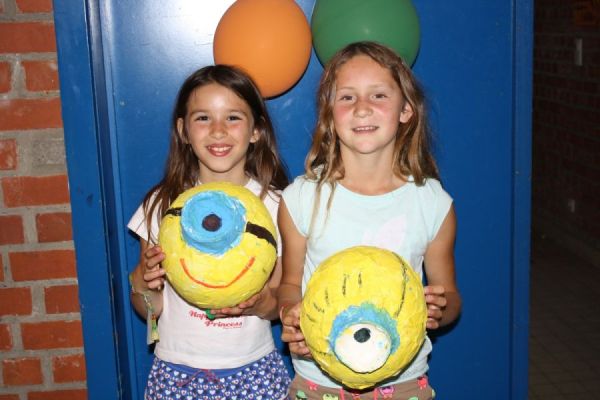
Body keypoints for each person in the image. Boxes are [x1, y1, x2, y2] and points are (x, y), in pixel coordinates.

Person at [277, 41, 462, 399]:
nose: (362, 108)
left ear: (406, 110)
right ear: (329, 114)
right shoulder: (301, 198)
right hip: (318, 383)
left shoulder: (432, 204)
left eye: (378, 95)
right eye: (347, 97)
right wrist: (290, 314)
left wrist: (441, 309)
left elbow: (451, 295)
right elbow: (289, 284)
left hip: (403, 383)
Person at [127, 65, 291, 400]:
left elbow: (278, 301)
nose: (218, 131)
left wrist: (261, 304)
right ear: (183, 131)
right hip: (176, 372)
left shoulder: (277, 206)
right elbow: (151, 309)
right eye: (203, 118)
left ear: (256, 130)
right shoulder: (162, 205)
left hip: (254, 370)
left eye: (233, 117)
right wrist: (143, 284)